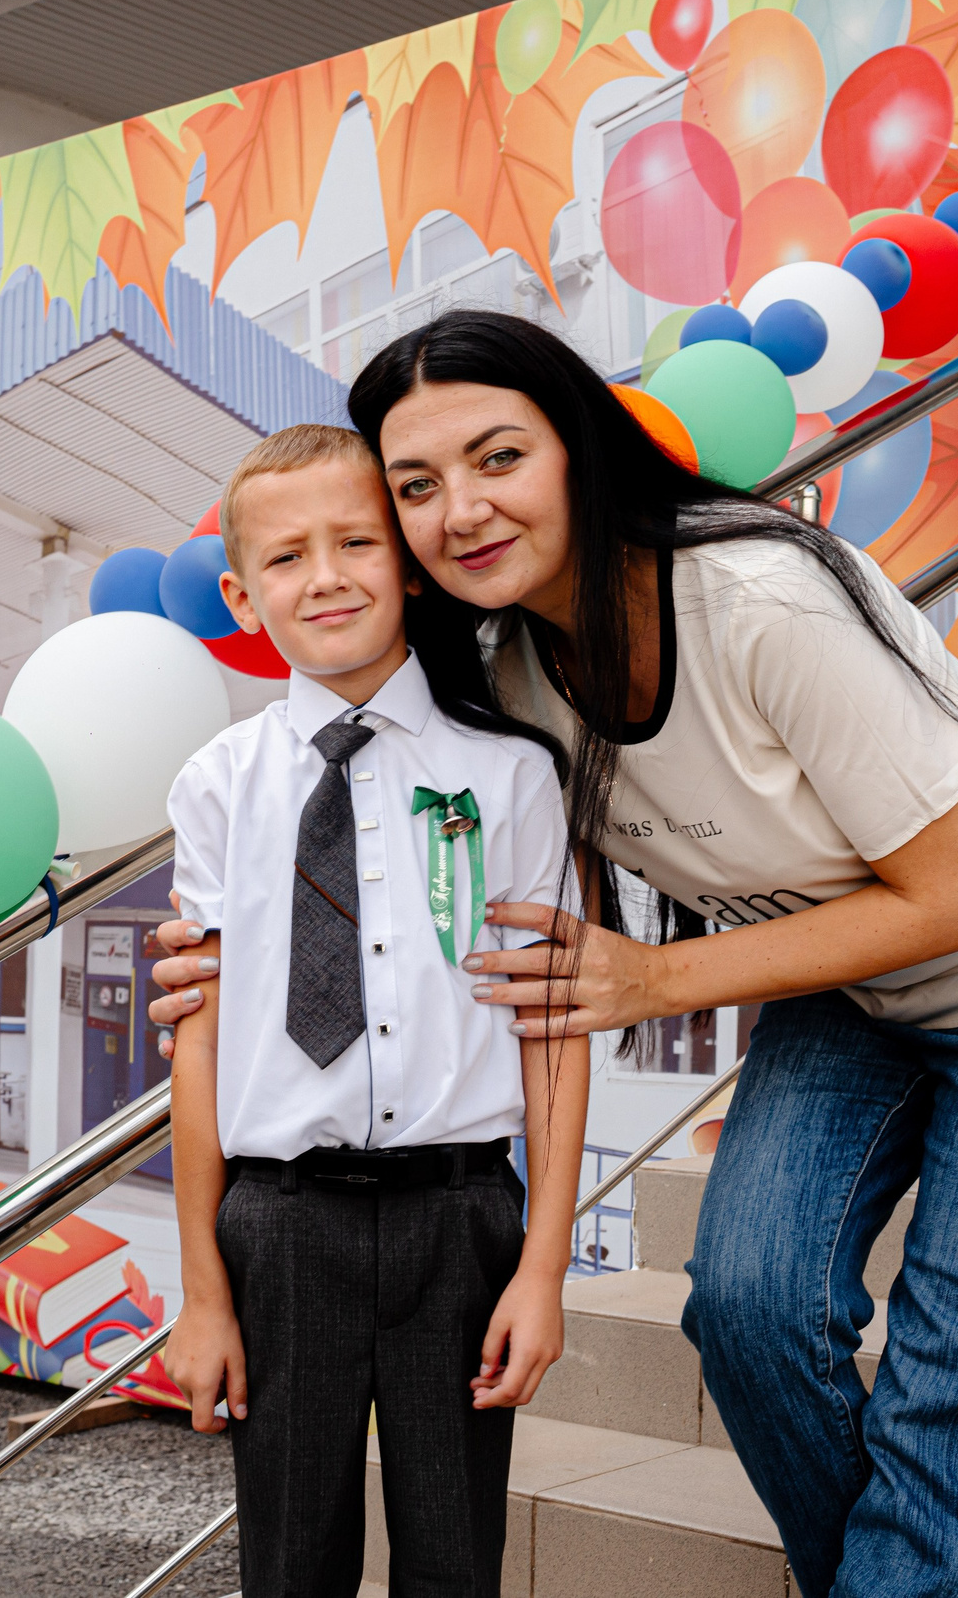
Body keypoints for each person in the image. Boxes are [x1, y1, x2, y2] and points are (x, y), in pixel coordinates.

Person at [150, 313, 958, 1598]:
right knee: (747, 1304)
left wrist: (651, 978)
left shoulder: (756, 598)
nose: (461, 509)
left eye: (499, 457)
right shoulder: (502, 671)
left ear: (578, 447)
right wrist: (231, 959)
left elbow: (957, 897)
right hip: (845, 960)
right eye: (415, 486)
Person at [160, 422, 590, 1598]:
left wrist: (542, 1267)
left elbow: (551, 1028)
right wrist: (202, 1290)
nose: (327, 576)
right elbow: (197, 1042)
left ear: (409, 563)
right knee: (288, 1564)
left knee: (454, 1561)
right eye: (286, 556)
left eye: (356, 541)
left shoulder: (509, 774)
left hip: (460, 1217)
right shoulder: (218, 786)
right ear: (243, 598)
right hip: (281, 1225)